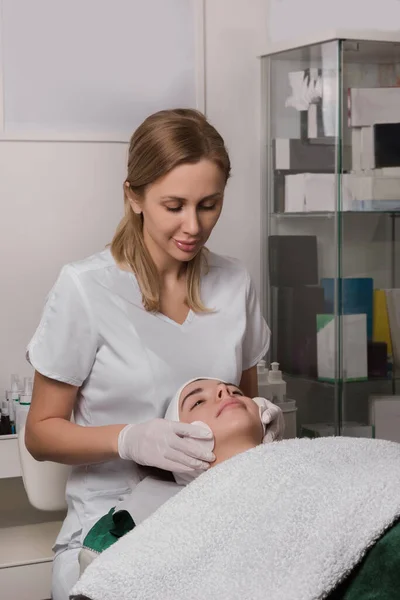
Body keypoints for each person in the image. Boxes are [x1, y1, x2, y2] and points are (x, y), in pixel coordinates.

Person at [24, 108, 270, 600]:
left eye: (209, 204)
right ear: (134, 196)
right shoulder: (86, 288)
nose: (193, 226)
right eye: (173, 204)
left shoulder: (234, 283)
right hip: (113, 529)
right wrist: (129, 440)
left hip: (217, 520)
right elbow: (40, 434)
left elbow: (248, 413)